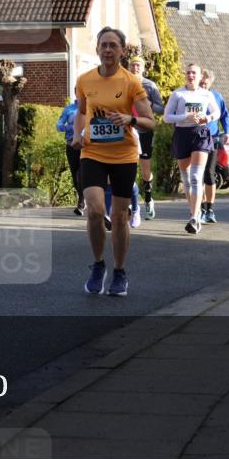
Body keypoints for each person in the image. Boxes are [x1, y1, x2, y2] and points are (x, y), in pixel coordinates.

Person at [71, 28, 153, 295]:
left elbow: (150, 122)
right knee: (95, 211)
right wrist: (76, 134)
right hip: (92, 153)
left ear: (121, 51)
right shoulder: (85, 80)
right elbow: (81, 113)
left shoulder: (131, 83)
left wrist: (130, 119)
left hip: (124, 155)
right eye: (103, 45)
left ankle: (119, 271)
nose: (107, 50)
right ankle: (98, 264)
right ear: (97, 49)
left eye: (113, 46)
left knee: (119, 217)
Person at [164, 63, 220, 234]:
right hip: (182, 134)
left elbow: (216, 112)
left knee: (196, 176)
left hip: (200, 134)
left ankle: (195, 218)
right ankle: (193, 211)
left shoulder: (206, 94)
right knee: (187, 179)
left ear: (200, 75)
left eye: (194, 73)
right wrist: (185, 116)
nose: (191, 76)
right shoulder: (178, 94)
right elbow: (167, 117)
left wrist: (207, 118)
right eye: (188, 73)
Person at [127, 56, 165, 219]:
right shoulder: (124, 83)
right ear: (129, 67)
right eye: (133, 65)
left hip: (144, 131)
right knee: (127, 167)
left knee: (144, 171)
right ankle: (129, 202)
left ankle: (148, 198)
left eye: (138, 65)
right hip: (127, 130)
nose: (135, 68)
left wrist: (149, 104)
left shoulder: (150, 85)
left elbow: (160, 109)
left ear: (143, 68)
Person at [199, 69, 229, 223]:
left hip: (212, 138)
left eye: (205, 83)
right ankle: (201, 207)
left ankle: (209, 209)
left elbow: (225, 115)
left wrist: (228, 132)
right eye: (201, 82)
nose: (203, 85)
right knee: (198, 174)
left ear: (210, 83)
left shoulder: (217, 97)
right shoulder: (193, 95)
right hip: (195, 138)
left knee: (209, 173)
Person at [56, 98, 85, 215]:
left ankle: (82, 203)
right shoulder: (68, 109)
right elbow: (59, 126)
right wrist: (73, 127)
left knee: (82, 174)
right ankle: (83, 198)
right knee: (75, 175)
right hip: (71, 144)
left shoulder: (90, 107)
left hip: (86, 146)